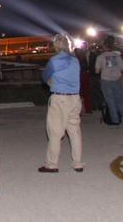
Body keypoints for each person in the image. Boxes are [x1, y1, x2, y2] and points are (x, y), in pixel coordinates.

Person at [39, 34, 84, 173]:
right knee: (74, 131)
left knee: (55, 132)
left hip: (60, 98)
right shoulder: (75, 61)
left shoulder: (54, 60)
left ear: (56, 45)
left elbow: (45, 76)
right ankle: (78, 163)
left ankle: (52, 164)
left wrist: (49, 81)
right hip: (75, 98)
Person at [94, 36, 123, 125]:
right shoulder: (117, 56)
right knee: (120, 99)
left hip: (106, 80)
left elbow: (97, 71)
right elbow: (122, 68)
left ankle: (115, 120)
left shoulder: (100, 57)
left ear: (104, 47)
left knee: (110, 100)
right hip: (116, 79)